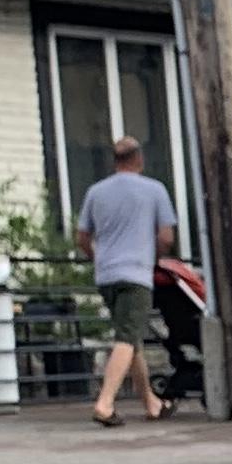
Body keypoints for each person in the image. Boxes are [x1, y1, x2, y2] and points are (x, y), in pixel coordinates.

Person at [72, 136, 181, 426]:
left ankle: (151, 402)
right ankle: (105, 403)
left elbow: (82, 236)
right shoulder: (154, 190)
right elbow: (167, 236)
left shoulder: (96, 192)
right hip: (136, 274)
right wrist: (153, 257)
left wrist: (98, 258)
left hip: (106, 274)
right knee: (126, 338)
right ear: (139, 159)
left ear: (115, 160)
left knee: (131, 338)